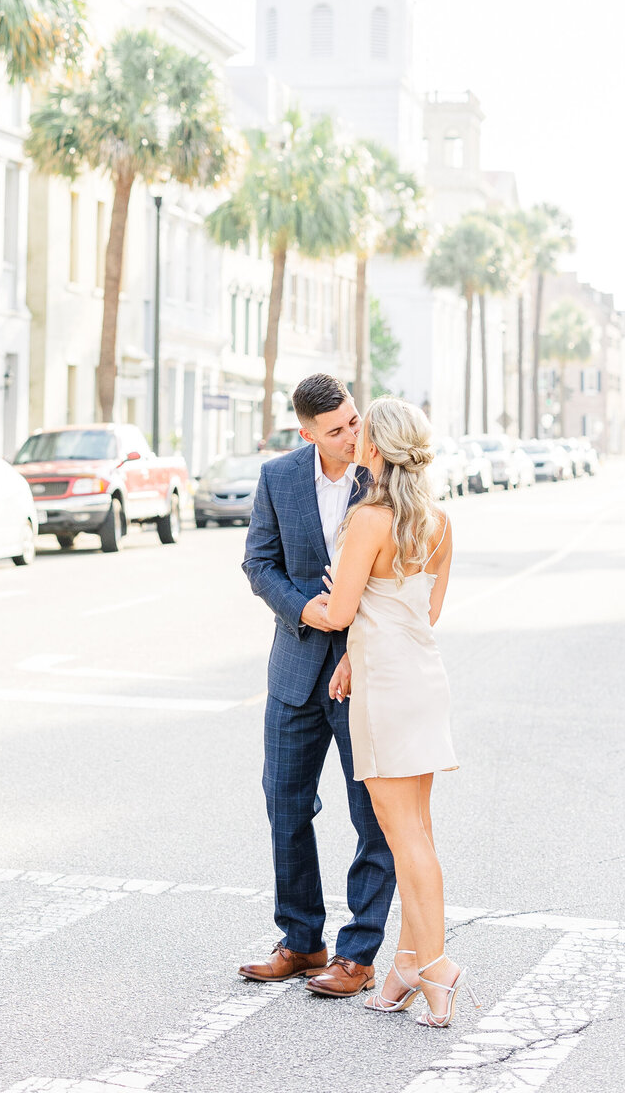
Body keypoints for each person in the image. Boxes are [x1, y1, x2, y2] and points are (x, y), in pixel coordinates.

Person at [319, 395, 479, 1027]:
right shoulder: (437, 520)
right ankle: (409, 962)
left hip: (386, 686)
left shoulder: (369, 520)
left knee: (403, 834)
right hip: (421, 675)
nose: (355, 439)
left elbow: (338, 613)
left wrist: (329, 603)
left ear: (376, 451)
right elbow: (427, 612)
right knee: (416, 828)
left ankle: (437, 965)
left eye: (363, 435)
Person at [239, 374, 396, 999]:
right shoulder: (278, 477)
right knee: (284, 802)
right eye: (336, 430)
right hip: (297, 668)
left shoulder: (383, 475)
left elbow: (399, 569)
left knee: (372, 815)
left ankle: (359, 953)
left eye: (354, 421)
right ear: (307, 433)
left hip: (366, 670)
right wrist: (308, 611)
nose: (352, 435)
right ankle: (303, 941)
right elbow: (259, 562)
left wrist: (354, 637)